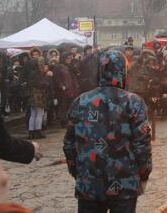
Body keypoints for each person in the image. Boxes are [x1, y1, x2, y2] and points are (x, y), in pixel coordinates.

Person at [64, 50, 152, 213]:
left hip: (88, 185)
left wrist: (78, 171)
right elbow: (142, 144)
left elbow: (69, 143)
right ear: (123, 72)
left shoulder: (80, 101)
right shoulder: (134, 102)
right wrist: (144, 174)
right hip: (124, 185)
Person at [26, 54, 51, 139]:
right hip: (39, 95)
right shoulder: (38, 73)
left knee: (33, 114)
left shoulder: (31, 72)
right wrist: (47, 77)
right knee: (39, 114)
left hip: (33, 94)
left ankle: (31, 132)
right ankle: (37, 131)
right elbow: (43, 84)